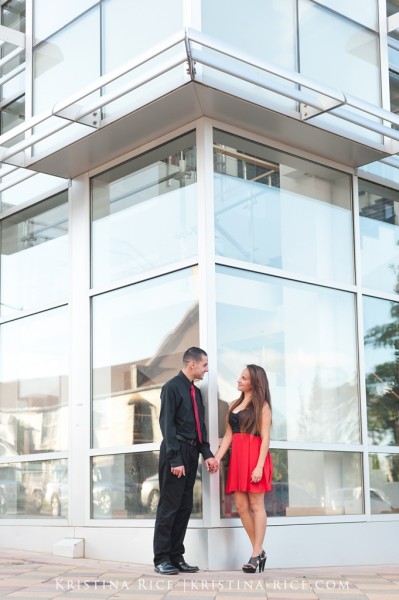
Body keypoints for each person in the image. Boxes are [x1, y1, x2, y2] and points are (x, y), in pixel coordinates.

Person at [153, 347, 217, 575]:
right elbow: (167, 426)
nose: (206, 370)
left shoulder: (195, 392)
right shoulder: (171, 388)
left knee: (184, 507)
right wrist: (174, 458)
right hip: (176, 452)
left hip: (191, 454)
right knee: (169, 507)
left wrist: (207, 453)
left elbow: (200, 427)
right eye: (205, 365)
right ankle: (161, 558)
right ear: (192, 365)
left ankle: (176, 556)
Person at [214, 364, 272, 573]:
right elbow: (229, 435)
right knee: (240, 506)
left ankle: (255, 554)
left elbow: (265, 438)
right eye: (240, 377)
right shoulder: (233, 404)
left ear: (255, 382)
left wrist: (259, 466)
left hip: (256, 457)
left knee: (257, 506)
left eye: (244, 378)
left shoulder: (262, 406)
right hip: (238, 459)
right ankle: (260, 550)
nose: (239, 380)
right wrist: (218, 457)